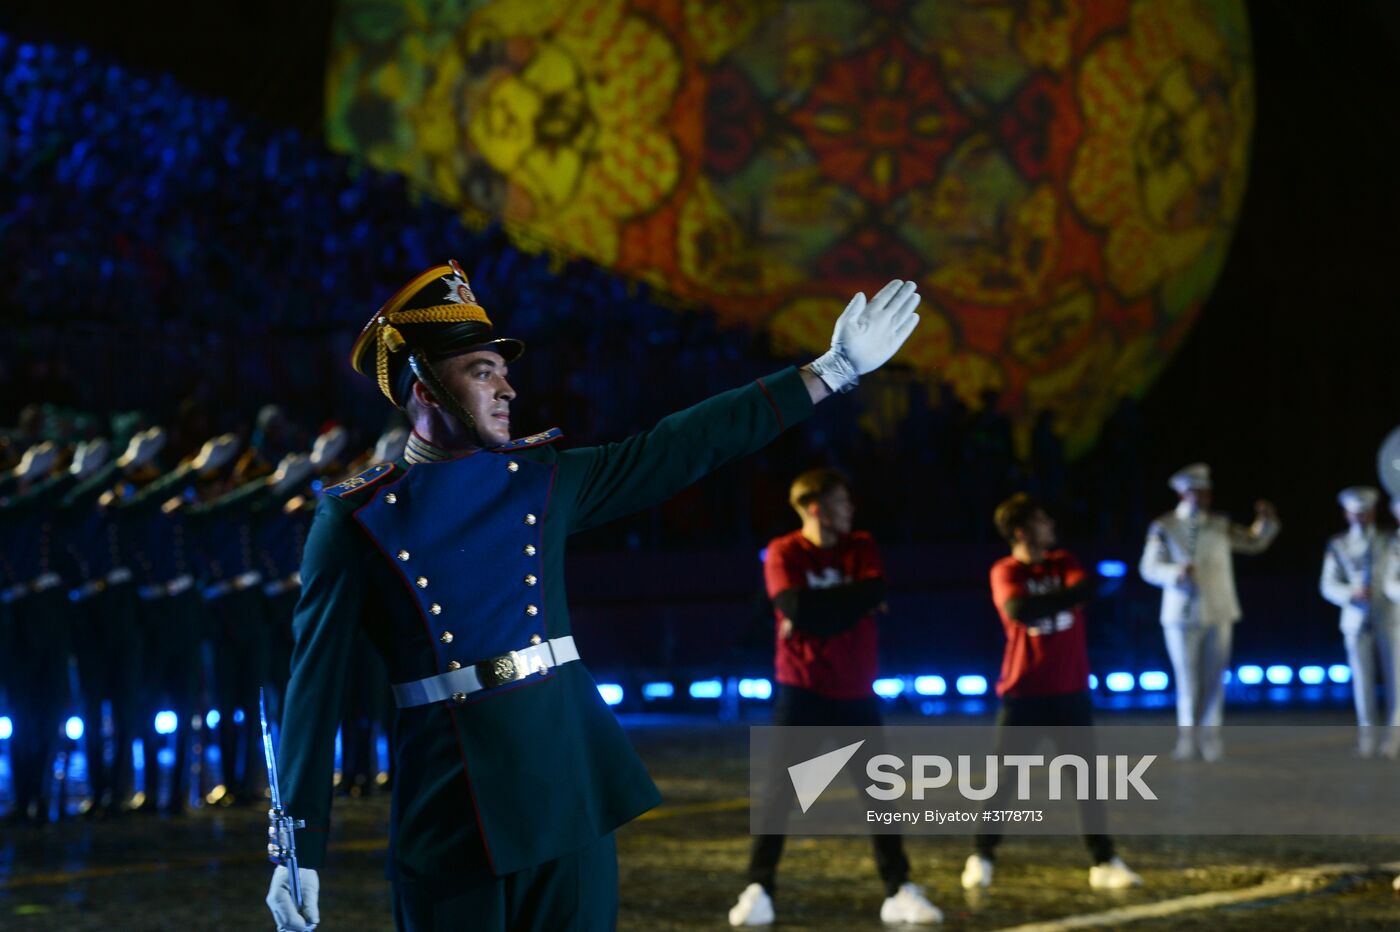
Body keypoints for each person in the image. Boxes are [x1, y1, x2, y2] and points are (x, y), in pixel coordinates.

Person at [264, 263, 922, 932]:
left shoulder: (539, 481)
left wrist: (831, 371)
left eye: (502, 370)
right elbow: (312, 692)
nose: (507, 388)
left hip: (567, 776)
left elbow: (681, 446)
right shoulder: (357, 521)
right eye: (482, 371)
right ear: (424, 385)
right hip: (451, 801)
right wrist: (299, 848)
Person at [727, 468, 942, 927]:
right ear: (815, 507)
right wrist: (851, 604)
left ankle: (898, 887)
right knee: (781, 795)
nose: (851, 510)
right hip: (801, 689)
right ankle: (758, 888)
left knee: (880, 796)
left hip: (855, 691)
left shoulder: (860, 545)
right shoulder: (785, 551)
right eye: (842, 502)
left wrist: (819, 611)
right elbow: (795, 608)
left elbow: (869, 592)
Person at [959, 493, 1141, 892]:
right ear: (1022, 530)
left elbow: (1086, 590)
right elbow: (1017, 610)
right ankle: (981, 855)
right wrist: (1058, 598)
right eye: (1042, 520)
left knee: (1087, 782)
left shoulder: (1064, 561)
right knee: (1004, 780)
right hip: (1023, 691)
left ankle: (1104, 860)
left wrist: (1048, 599)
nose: (1051, 526)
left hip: (1070, 689)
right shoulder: (1005, 569)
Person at [1138, 463, 1278, 762]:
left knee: (1215, 678)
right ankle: (1188, 740)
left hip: (1219, 608)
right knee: (1188, 680)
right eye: (1196, 491)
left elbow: (1253, 542)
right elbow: (1148, 567)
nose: (1203, 497)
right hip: (1181, 612)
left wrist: (1265, 523)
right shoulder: (1164, 526)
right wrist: (1174, 572)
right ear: (1182, 493)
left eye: (1206, 491)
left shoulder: (1220, 524)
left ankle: (1210, 738)